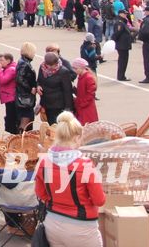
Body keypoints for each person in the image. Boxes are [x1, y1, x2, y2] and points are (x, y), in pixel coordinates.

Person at [34, 111, 106, 247]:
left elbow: (41, 194)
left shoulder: (44, 162)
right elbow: (99, 200)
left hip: (53, 223)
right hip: (82, 226)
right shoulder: (85, 165)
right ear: (76, 138)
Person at [37, 52, 73, 124]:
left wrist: (68, 108)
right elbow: (39, 80)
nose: (50, 67)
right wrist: (38, 86)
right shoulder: (42, 68)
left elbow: (67, 91)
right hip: (47, 103)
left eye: (52, 65)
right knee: (51, 124)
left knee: (58, 126)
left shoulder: (63, 71)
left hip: (58, 105)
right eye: (48, 65)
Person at [0, 53, 18, 135]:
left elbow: (3, 80)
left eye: (2, 60)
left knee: (11, 118)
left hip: (11, 97)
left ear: (8, 61)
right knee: (10, 117)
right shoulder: (8, 68)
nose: (0, 62)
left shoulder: (11, 69)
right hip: (8, 97)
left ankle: (14, 135)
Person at [72, 58, 99, 124]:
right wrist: (74, 89)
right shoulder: (81, 76)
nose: (74, 71)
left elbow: (91, 94)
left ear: (82, 68)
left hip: (87, 107)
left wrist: (82, 103)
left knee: (87, 125)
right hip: (82, 105)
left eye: (76, 69)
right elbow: (81, 92)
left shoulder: (88, 78)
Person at [111, 10, 133, 81]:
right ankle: (121, 76)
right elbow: (117, 33)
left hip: (124, 44)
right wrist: (113, 40)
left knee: (124, 60)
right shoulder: (119, 22)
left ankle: (122, 75)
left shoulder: (123, 21)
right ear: (120, 14)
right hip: (122, 45)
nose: (125, 15)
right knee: (123, 61)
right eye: (124, 14)